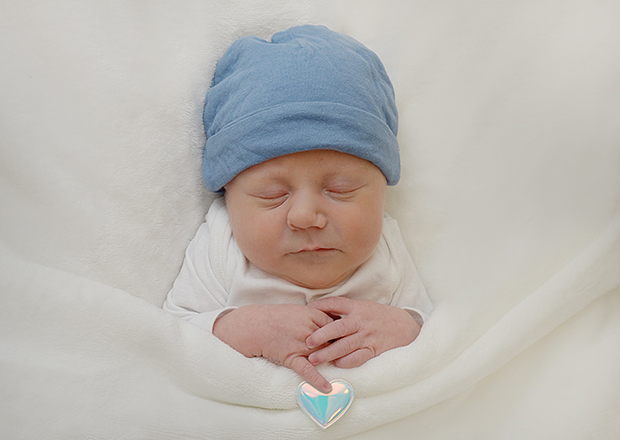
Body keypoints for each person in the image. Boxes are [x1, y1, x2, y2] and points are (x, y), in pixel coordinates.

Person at [163, 24, 432, 393]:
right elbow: (171, 337)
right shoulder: (220, 248)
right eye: (272, 194)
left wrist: (402, 327)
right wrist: (241, 329)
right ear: (228, 196)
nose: (305, 217)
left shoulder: (387, 250)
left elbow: (435, 338)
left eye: (341, 189)